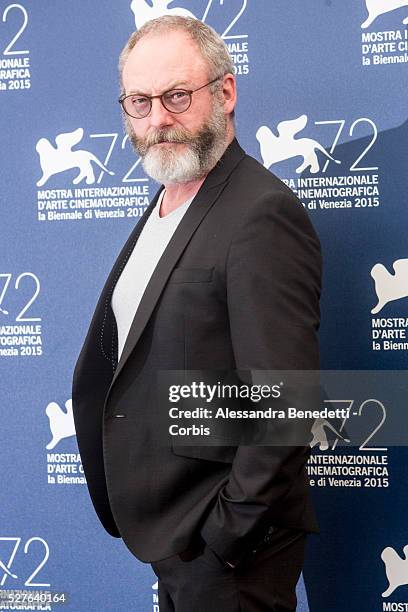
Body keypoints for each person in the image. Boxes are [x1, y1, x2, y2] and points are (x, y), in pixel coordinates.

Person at [72, 15, 321, 612]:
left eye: (178, 96)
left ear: (225, 93)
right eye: (139, 101)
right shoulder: (169, 201)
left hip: (226, 552)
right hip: (174, 536)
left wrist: (228, 535)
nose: (158, 120)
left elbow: (287, 399)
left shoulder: (259, 213)